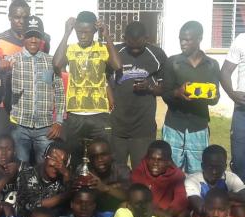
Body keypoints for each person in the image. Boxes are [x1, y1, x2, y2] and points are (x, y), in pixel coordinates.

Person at [53, 11, 121, 167]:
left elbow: (117, 65)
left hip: (99, 115)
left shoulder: (102, 48)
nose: (82, 36)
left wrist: (107, 35)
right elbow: (56, 64)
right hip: (75, 115)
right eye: (79, 32)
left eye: (87, 32)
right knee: (74, 158)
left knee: (101, 157)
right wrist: (66, 33)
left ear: (95, 31)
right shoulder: (71, 49)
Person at [162, 21, 220, 174]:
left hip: (198, 126)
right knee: (171, 173)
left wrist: (205, 94)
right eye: (181, 39)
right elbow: (165, 94)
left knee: (198, 172)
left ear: (199, 38)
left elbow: (215, 99)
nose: (183, 43)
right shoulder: (173, 62)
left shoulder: (212, 65)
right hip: (174, 125)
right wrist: (177, 93)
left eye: (187, 40)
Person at [0, 0, 51, 135]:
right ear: (10, 17)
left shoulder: (43, 40)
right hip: (3, 105)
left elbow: (46, 69)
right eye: (17, 17)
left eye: (25, 17)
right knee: (4, 147)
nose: (21, 21)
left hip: (32, 105)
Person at [110, 21, 167, 169]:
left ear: (146, 38)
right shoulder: (115, 52)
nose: (135, 50)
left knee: (141, 173)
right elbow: (103, 80)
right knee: (116, 172)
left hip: (143, 128)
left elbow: (164, 88)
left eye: (139, 46)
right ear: (124, 38)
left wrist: (149, 87)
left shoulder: (157, 55)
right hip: (117, 127)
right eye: (131, 45)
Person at [10, 15, 65, 164]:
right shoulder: (12, 61)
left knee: (44, 167)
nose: (33, 40)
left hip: (45, 128)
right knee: (21, 167)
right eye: (29, 36)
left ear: (42, 39)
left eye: (37, 36)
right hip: (20, 126)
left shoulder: (51, 62)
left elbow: (60, 92)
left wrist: (58, 121)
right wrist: (1, 70)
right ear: (23, 37)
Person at [131, 140, 188, 217]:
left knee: (183, 214)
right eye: (152, 159)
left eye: (160, 160)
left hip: (167, 213)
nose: (155, 164)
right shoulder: (140, 171)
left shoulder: (177, 175)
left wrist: (166, 214)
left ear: (168, 161)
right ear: (147, 158)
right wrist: (158, 213)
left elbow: (180, 199)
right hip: (143, 211)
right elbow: (136, 199)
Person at [185, 145, 245, 217]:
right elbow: (200, 208)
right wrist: (229, 201)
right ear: (202, 166)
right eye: (210, 167)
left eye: (218, 167)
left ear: (225, 166)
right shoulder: (192, 181)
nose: (214, 172)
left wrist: (229, 196)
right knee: (197, 216)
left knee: (239, 210)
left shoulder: (231, 177)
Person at [16, 140, 71, 217]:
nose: (58, 165)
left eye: (63, 162)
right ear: (44, 157)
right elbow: (31, 207)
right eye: (54, 159)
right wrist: (64, 196)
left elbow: (70, 204)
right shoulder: (26, 175)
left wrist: (67, 175)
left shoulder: (64, 177)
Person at [74, 137, 130, 213]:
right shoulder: (83, 170)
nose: (100, 159)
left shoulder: (121, 170)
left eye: (103, 155)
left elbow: (128, 196)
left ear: (111, 155)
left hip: (115, 211)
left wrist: (105, 188)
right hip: (90, 213)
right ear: (89, 159)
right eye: (95, 156)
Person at [220, 33, 245, 183]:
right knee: (240, 161)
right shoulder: (242, 39)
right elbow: (225, 72)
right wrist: (231, 94)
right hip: (242, 111)